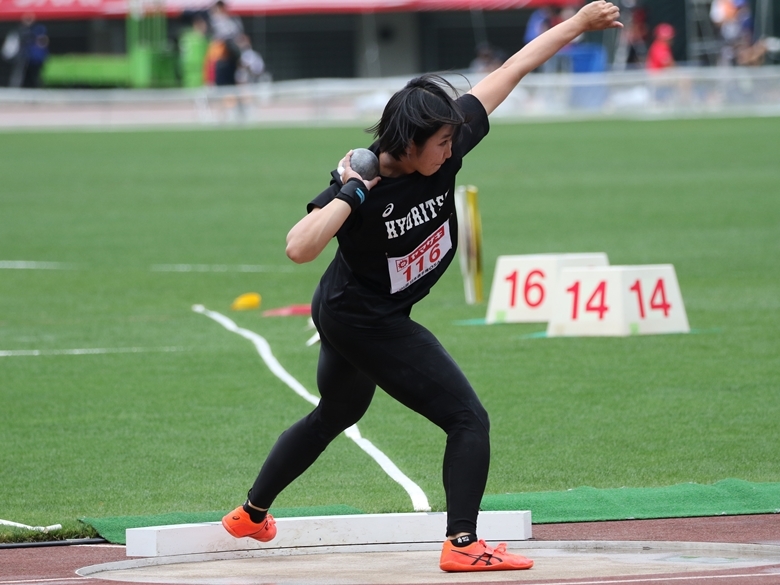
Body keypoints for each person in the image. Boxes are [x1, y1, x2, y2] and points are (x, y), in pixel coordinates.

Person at [221, 1, 622, 573]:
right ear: (406, 143)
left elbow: (508, 72)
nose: (451, 149)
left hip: (350, 309)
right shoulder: (365, 182)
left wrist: (578, 25)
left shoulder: (443, 149)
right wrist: (349, 192)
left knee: (336, 413)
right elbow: (299, 247)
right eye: (440, 143)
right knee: (467, 418)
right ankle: (463, 545)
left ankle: (251, 514)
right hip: (364, 319)